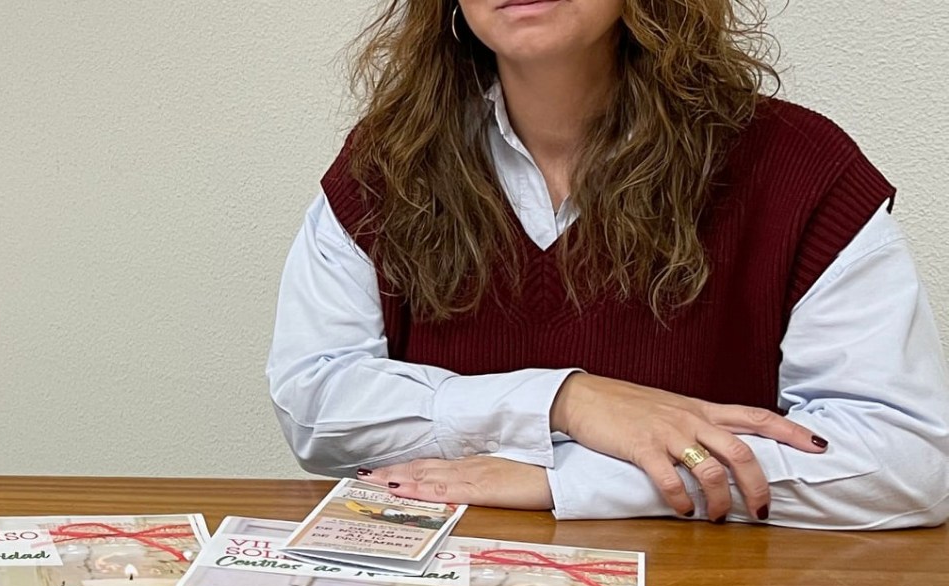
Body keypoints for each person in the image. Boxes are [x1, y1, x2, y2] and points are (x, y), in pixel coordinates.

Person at [266, 0, 949, 529]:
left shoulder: (799, 166)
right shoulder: (385, 164)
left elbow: (905, 463)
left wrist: (569, 481)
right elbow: (315, 405)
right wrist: (566, 402)